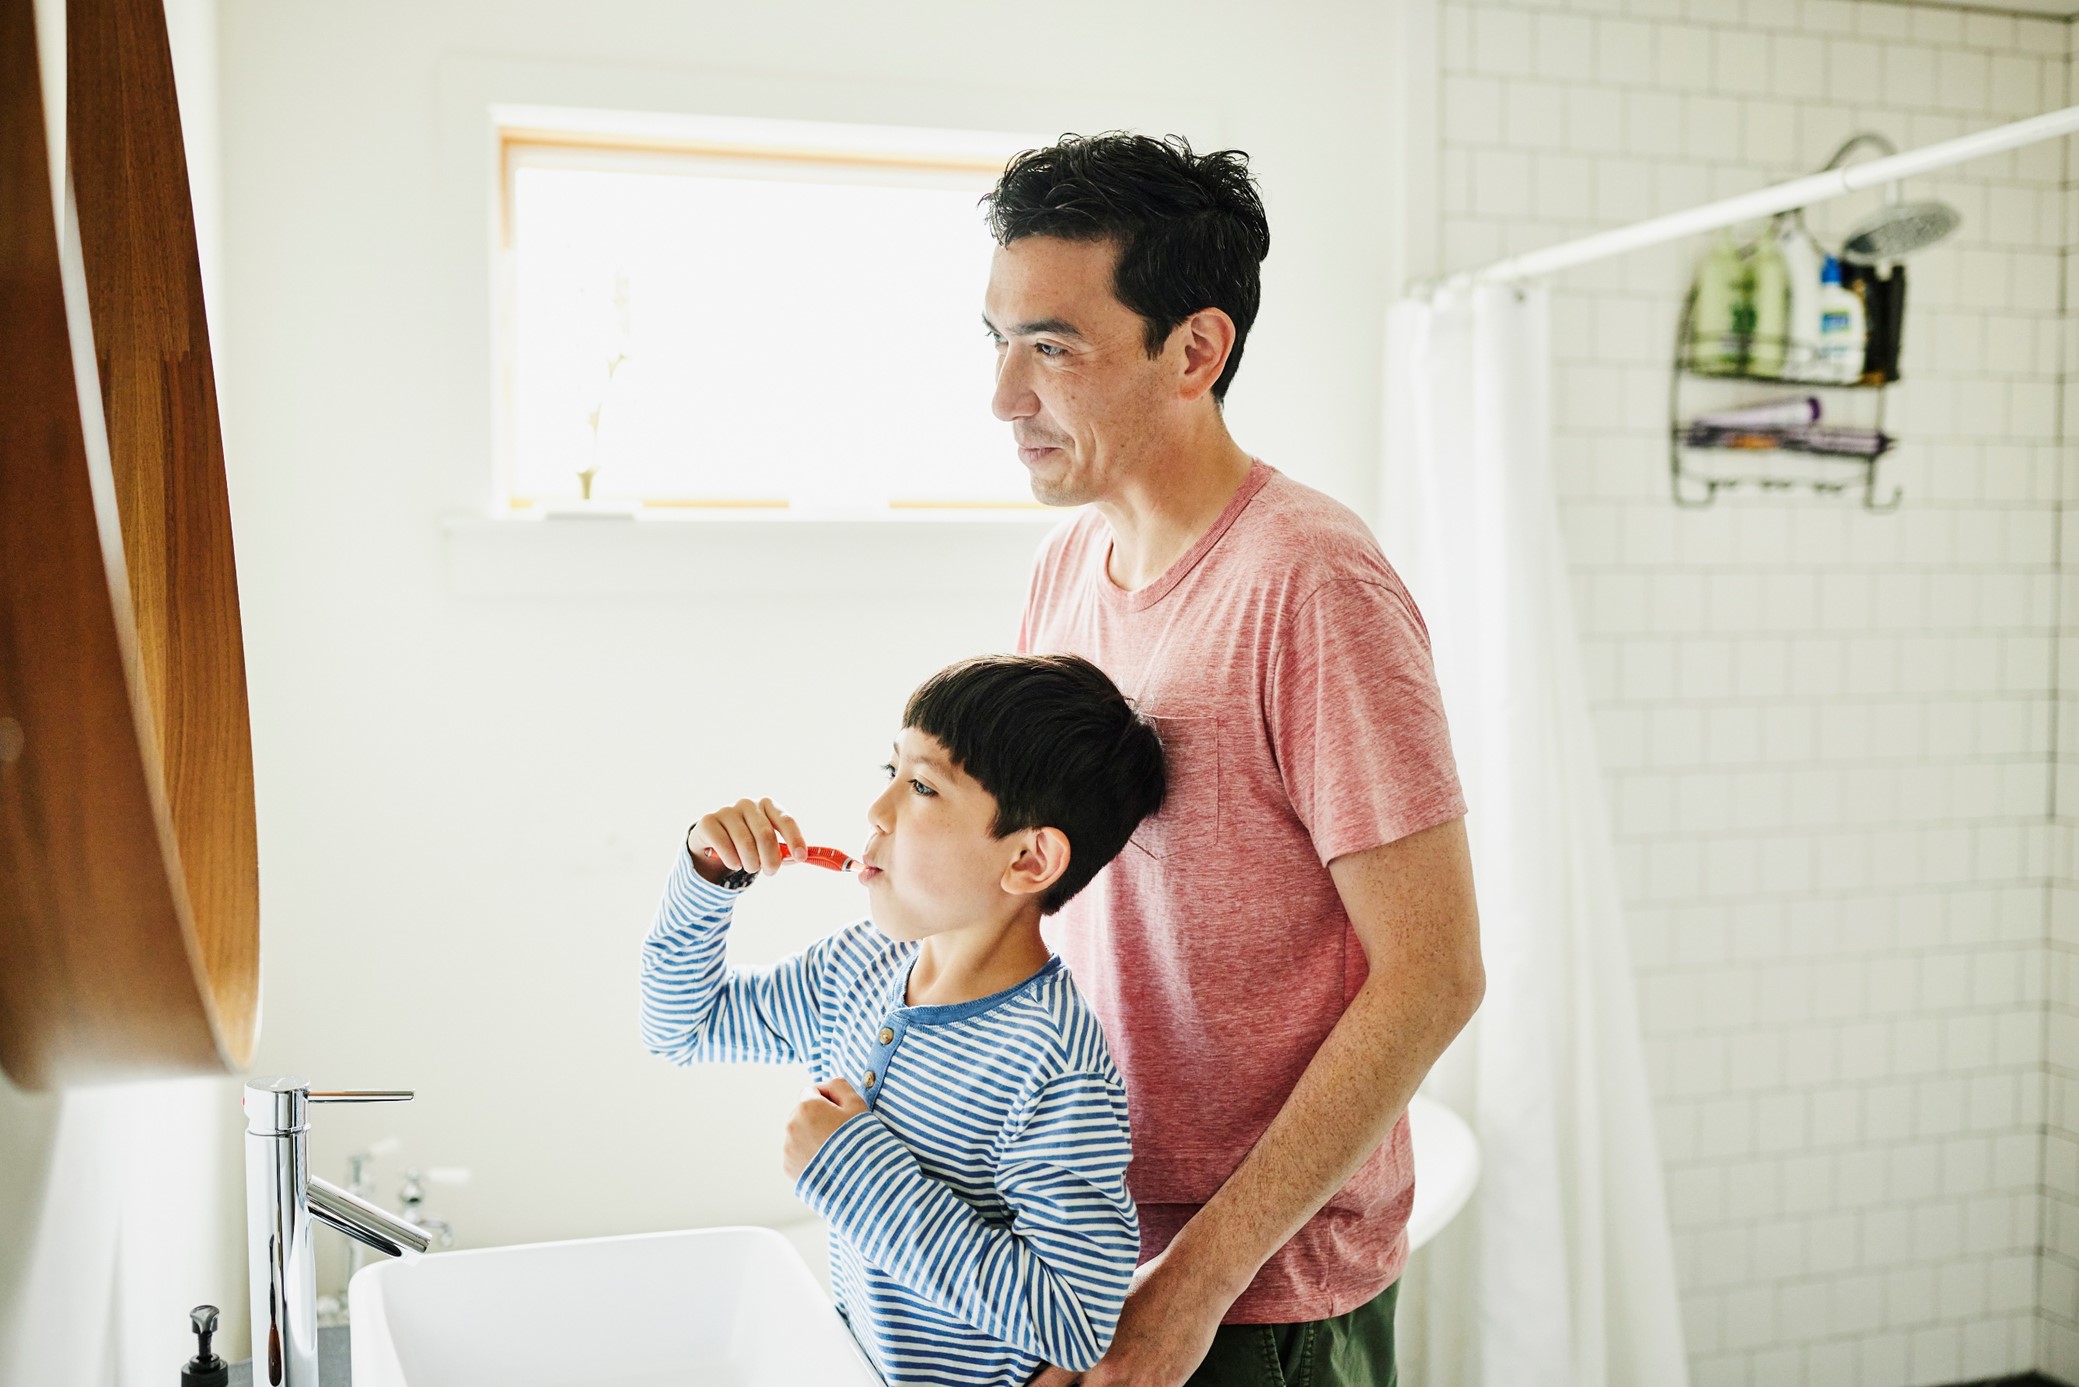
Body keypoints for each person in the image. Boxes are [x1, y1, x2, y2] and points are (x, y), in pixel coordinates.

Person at [984, 134, 1486, 1387]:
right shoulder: (1063, 571)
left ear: (1194, 351)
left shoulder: (1313, 583)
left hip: (1249, 1303)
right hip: (1086, 1251)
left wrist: (1194, 1285)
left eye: (1052, 345)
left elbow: (1434, 976)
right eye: (995, 340)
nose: (1005, 394)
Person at [639, 653, 1167, 1387]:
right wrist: (706, 876)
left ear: (1029, 858)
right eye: (888, 770)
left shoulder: (1052, 1064)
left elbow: (1074, 1321)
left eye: (920, 786)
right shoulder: (857, 966)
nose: (876, 810)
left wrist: (852, 1170)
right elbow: (681, 1025)